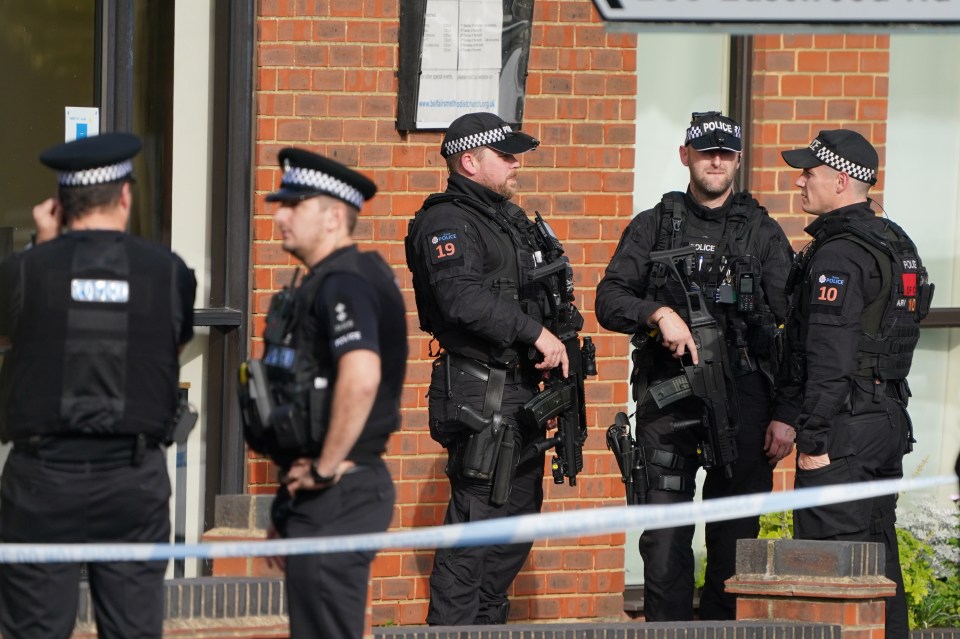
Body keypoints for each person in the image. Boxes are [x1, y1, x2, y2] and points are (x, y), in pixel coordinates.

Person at [596, 111, 795, 621]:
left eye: (726, 153)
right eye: (706, 151)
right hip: (670, 401)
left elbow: (796, 326)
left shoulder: (762, 232)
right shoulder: (654, 225)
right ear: (685, 154)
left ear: (737, 160)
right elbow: (609, 298)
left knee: (734, 549)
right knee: (663, 546)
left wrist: (789, 412)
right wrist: (658, 313)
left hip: (744, 402)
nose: (716, 161)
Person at [0, 132, 197, 639]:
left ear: (61, 205)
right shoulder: (169, 273)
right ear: (125, 196)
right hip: (133, 480)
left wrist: (43, 246)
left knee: (35, 630)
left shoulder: (24, 271)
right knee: (133, 629)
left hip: (42, 481)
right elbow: (163, 351)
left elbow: (18, 329)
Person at [405, 111, 575, 625]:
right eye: (506, 155)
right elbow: (460, 300)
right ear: (469, 160)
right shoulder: (447, 222)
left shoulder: (508, 220)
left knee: (515, 525)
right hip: (483, 393)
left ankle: (484, 627)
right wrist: (535, 333)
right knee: (476, 526)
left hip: (522, 393)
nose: (516, 163)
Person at [240, 148, 407, 639]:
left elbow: (362, 377)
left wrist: (324, 468)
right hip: (322, 492)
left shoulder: (346, 282)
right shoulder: (324, 282)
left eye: (294, 205)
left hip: (341, 490)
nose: (279, 216)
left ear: (334, 216)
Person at [778, 129, 933, 639]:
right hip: (885, 418)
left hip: (844, 428)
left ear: (841, 182)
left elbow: (830, 353)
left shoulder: (839, 255)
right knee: (878, 562)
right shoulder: (895, 241)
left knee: (831, 571)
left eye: (810, 173)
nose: (800, 181)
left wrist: (814, 439)